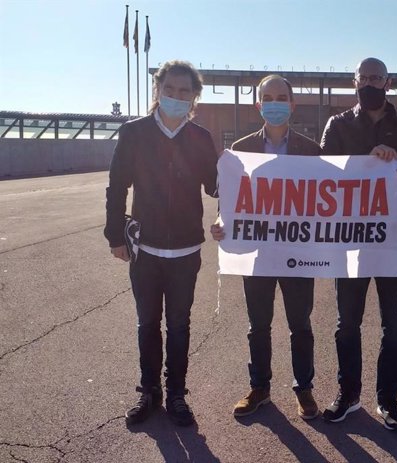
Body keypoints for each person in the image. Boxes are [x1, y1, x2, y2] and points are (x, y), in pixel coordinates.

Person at [320, 57, 397, 431]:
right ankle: (348, 394)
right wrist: (363, 163)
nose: (370, 83)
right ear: (355, 81)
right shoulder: (337, 125)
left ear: (389, 83)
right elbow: (320, 175)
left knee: (394, 325)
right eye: (363, 77)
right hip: (350, 244)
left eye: (377, 78)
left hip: (394, 241)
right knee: (346, 324)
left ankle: (388, 399)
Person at [104, 60, 218, 427]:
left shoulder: (201, 137)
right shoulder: (134, 132)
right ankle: (148, 391)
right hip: (145, 250)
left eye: (185, 91)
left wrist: (244, 173)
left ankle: (177, 394)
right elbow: (117, 186)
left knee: (180, 325)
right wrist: (114, 235)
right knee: (147, 323)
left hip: (186, 250)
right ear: (158, 90)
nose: (176, 97)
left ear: (194, 96)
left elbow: (216, 186)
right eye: (170, 89)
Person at [210, 75, 322, 420]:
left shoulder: (311, 150)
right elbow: (230, 200)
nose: (274, 103)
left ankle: (304, 389)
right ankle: (259, 388)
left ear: (292, 104)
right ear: (258, 105)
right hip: (256, 253)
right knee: (258, 324)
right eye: (267, 98)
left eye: (281, 97)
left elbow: (326, 199)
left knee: (300, 325)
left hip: (298, 253)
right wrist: (220, 221)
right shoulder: (240, 150)